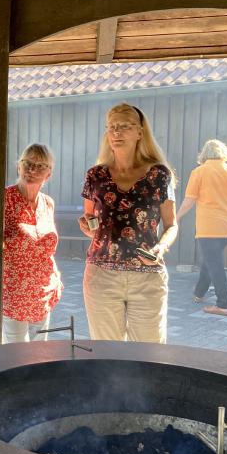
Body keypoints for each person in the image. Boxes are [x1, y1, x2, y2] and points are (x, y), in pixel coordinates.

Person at [78, 103, 178, 342]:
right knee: (106, 352)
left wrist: (161, 247)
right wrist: (88, 225)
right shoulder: (95, 175)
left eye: (124, 126)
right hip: (101, 275)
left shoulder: (159, 175)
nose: (117, 132)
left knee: (148, 352)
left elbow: (171, 225)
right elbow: (90, 220)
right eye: (111, 127)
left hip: (147, 276)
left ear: (140, 132)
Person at [0, 144, 63, 343]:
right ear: (18, 166)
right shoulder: (1, 200)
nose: (32, 170)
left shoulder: (48, 203)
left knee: (40, 355)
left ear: (48, 174)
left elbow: (44, 246)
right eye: (28, 163)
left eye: (40, 166)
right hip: (12, 296)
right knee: (17, 356)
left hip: (43, 294)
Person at [176, 139, 227, 316]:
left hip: (208, 226)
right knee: (210, 260)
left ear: (204, 154)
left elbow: (190, 200)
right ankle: (199, 293)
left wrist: (176, 217)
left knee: (214, 264)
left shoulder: (199, 172)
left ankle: (224, 304)